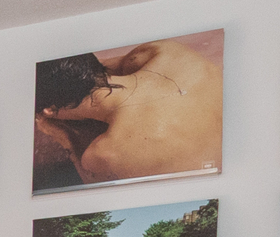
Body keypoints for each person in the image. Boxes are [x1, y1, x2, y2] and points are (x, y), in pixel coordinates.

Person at [33, 37, 225, 189]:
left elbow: (94, 189)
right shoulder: (164, 51)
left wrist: (61, 134)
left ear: (48, 110)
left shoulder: (106, 154)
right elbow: (94, 70)